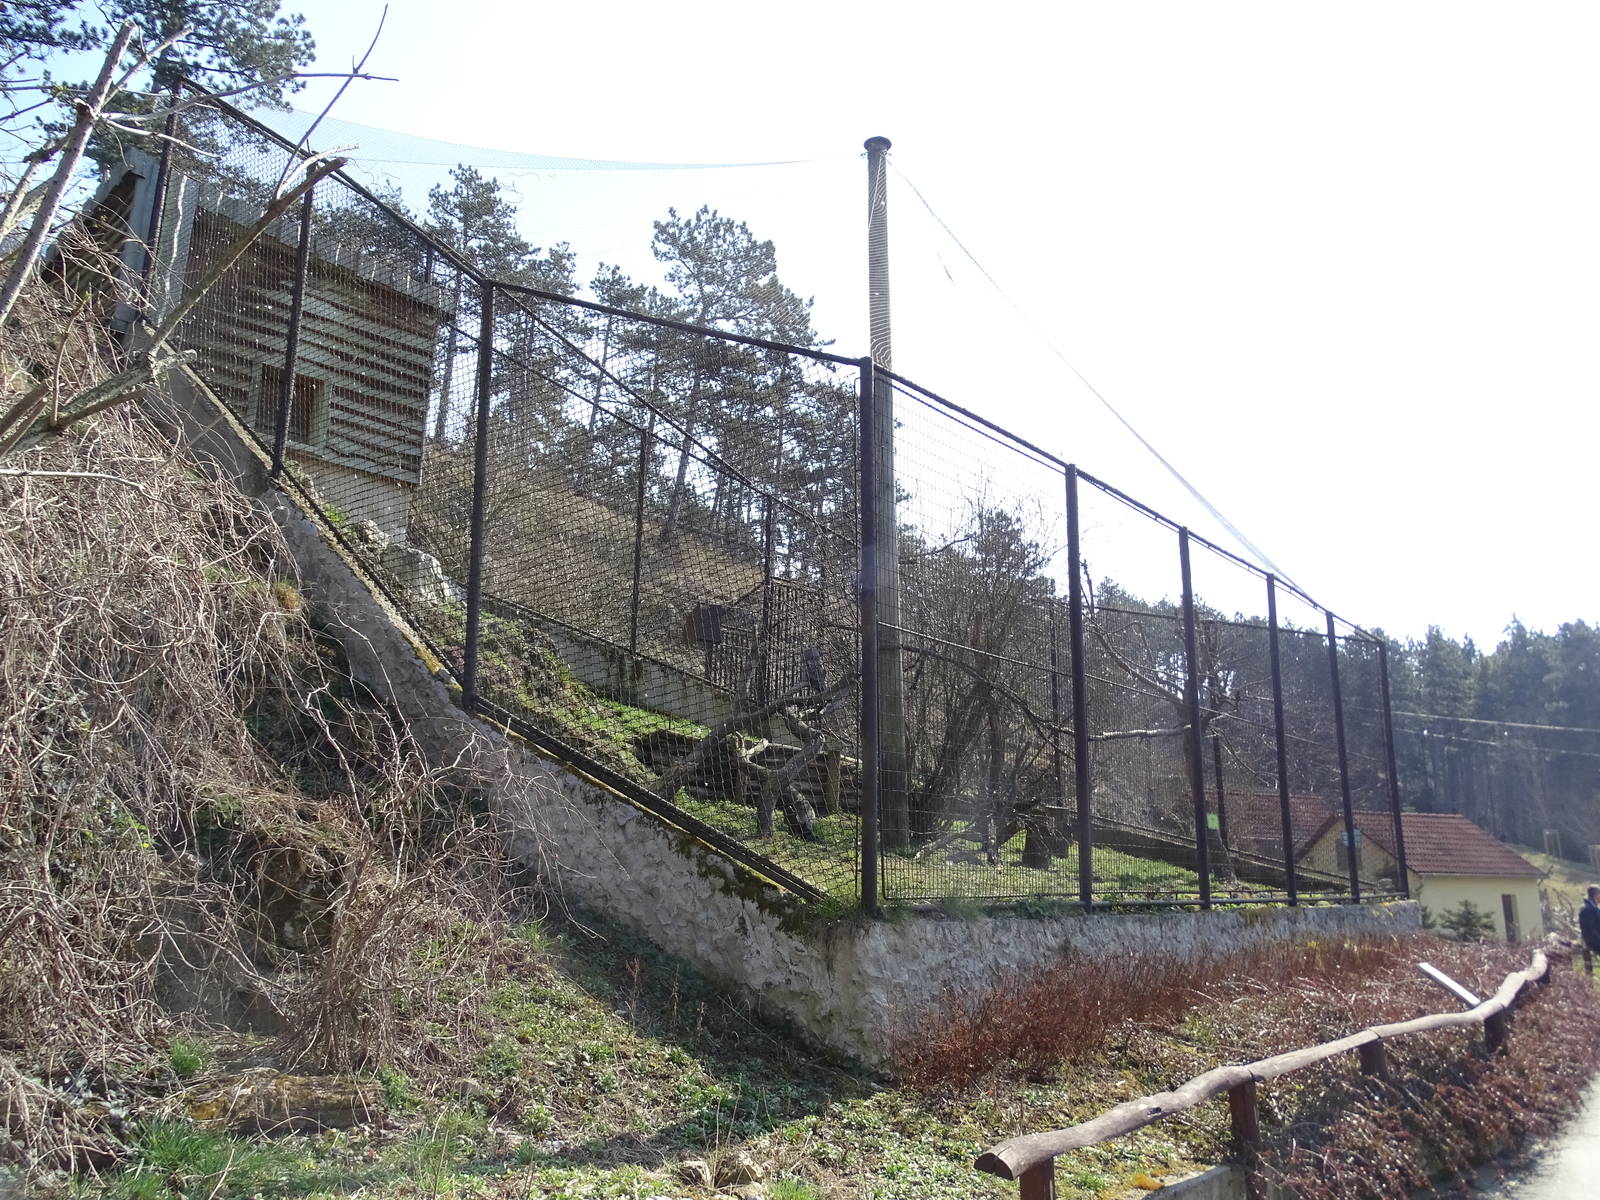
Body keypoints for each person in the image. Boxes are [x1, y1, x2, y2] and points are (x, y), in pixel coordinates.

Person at [1580, 886, 1600, 959]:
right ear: (1597, 895)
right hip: (1594, 941)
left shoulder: (1592, 906)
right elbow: (1590, 930)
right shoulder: (1587, 909)